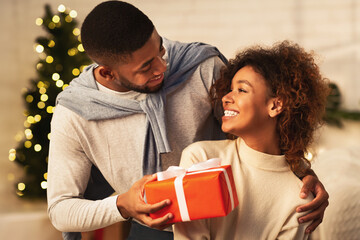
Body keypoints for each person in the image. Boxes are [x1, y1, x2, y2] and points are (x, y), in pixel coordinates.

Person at [46, 1, 328, 240]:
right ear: (107, 73)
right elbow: (60, 209)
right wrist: (122, 205)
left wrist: (302, 174)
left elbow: (259, 126)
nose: (162, 67)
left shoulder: (201, 66)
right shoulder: (75, 113)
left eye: (160, 50)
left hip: (227, 218)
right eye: (146, 67)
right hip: (149, 231)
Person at [173, 41, 330, 239]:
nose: (226, 98)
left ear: (275, 105)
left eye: (242, 90)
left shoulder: (299, 198)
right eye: (230, 89)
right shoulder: (200, 158)